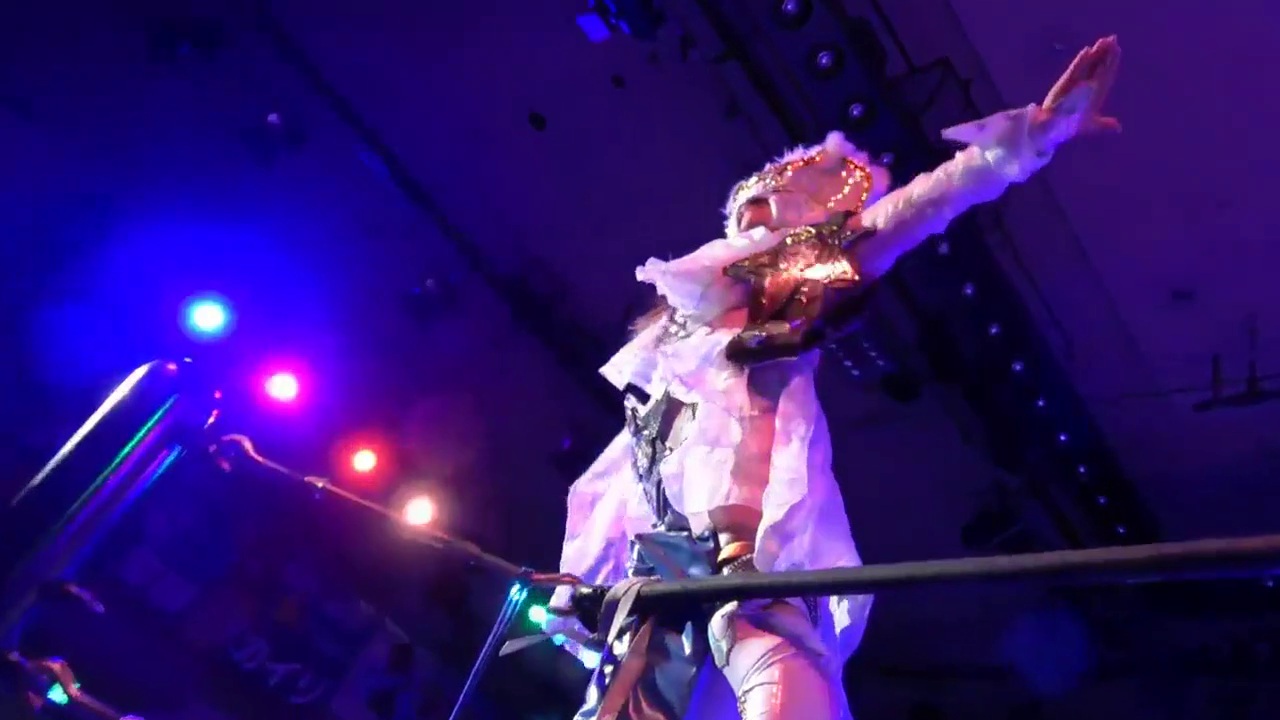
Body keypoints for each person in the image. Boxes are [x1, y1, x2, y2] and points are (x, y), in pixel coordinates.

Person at [550, 36, 1123, 720]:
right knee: (639, 690)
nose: (752, 215)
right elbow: (621, 471)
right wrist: (588, 574)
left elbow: (919, 208)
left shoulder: (796, 278)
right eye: (748, 207)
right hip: (663, 564)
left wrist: (1032, 137)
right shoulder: (676, 333)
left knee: (768, 654)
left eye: (770, 204)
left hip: (744, 549)